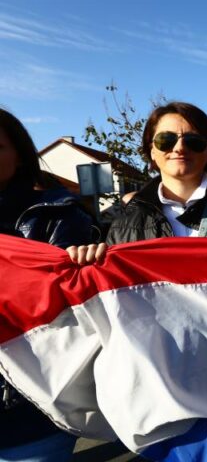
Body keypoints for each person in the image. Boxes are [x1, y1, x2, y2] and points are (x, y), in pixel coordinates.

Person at [0, 108, 99, 461]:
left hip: (28, 414)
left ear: (20, 157)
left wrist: (85, 267)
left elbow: (71, 317)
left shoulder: (57, 216)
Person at [67, 101, 207, 264]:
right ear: (152, 152)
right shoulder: (125, 224)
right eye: (166, 140)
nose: (179, 148)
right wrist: (88, 262)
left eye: (194, 141)